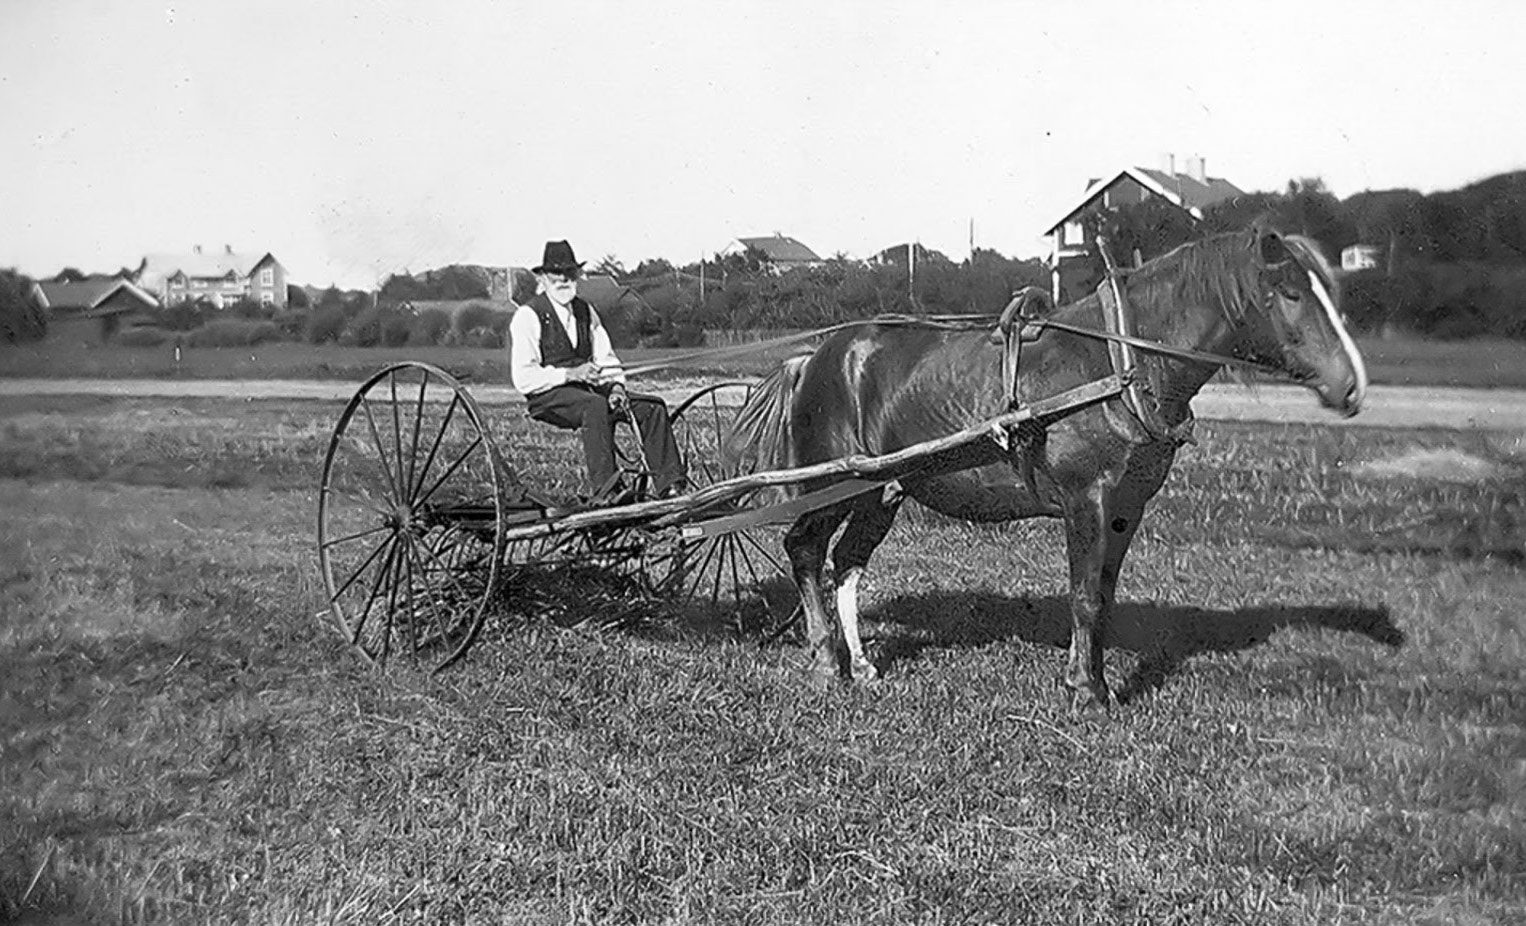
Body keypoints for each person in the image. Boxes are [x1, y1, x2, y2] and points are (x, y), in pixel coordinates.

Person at [509, 240, 686, 501]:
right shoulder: (528, 315)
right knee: (594, 406)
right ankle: (607, 492)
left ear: (577, 276)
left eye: (569, 273)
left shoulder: (586, 311)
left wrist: (615, 387)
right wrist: (569, 374)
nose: (563, 280)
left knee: (652, 407)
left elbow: (606, 358)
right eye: (556, 274)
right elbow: (524, 378)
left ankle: (671, 488)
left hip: (588, 390)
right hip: (547, 396)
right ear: (543, 278)